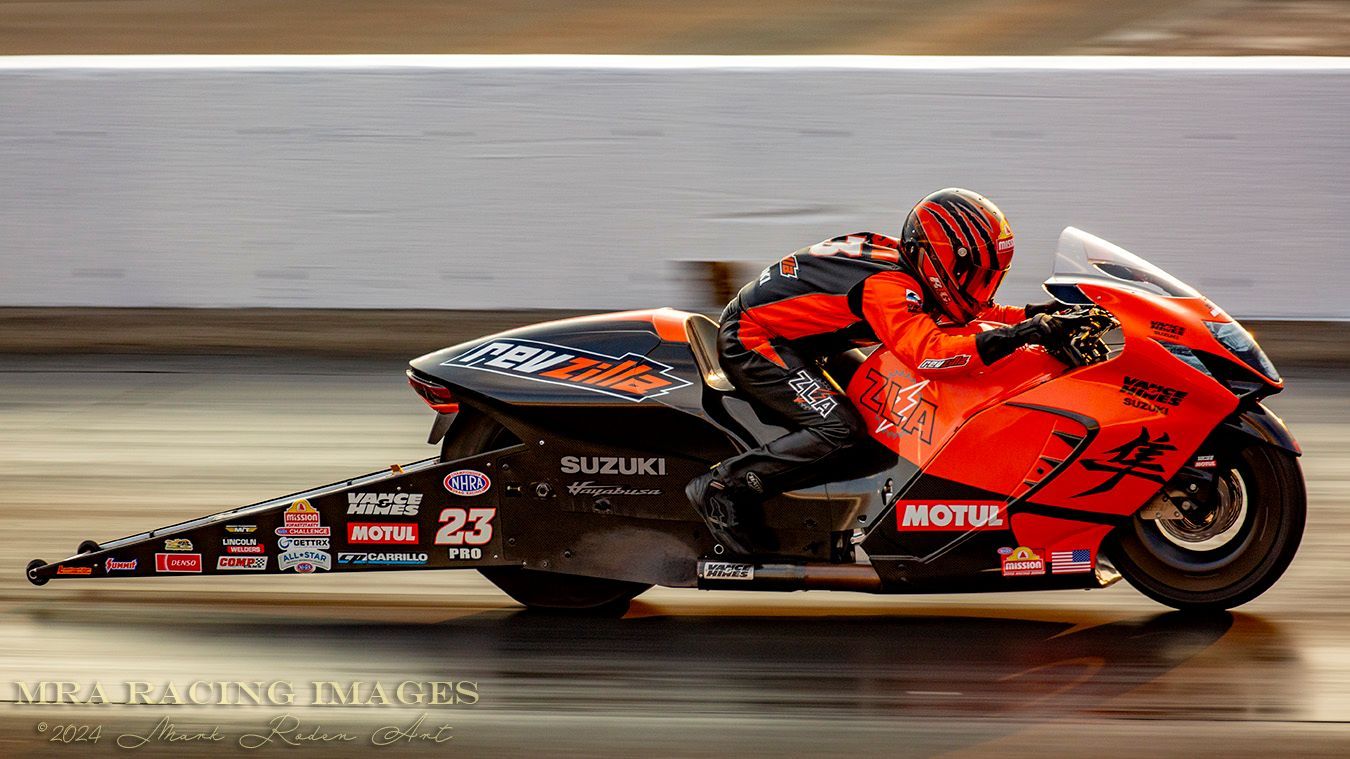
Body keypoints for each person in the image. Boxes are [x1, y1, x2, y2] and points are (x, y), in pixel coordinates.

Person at [686, 187, 1087, 557]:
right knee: (842, 430)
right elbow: (931, 354)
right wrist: (1019, 336)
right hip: (756, 339)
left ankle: (809, 504)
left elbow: (976, 313)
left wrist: (1038, 315)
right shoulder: (889, 287)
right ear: (941, 261)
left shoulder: (911, 266)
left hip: (806, 342)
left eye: (990, 278)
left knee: (881, 426)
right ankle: (724, 486)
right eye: (975, 276)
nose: (981, 289)